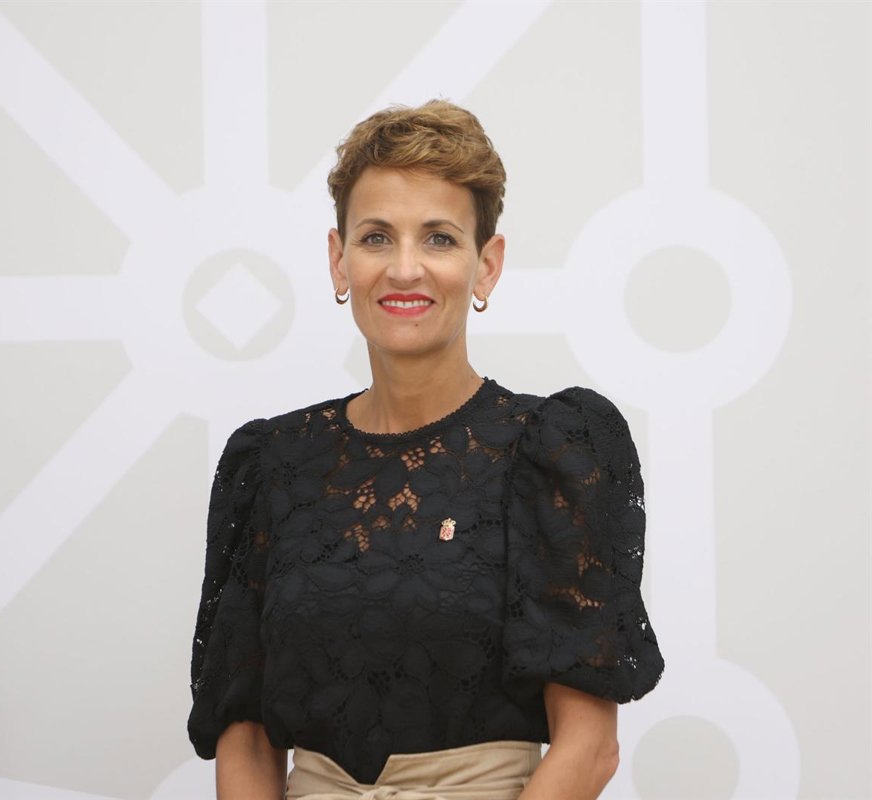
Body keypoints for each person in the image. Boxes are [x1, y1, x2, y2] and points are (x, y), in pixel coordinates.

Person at [187, 100, 663, 800]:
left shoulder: (554, 449)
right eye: (376, 237)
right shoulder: (272, 464)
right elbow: (246, 739)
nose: (404, 268)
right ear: (339, 260)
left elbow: (589, 748)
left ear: (487, 265)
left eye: (439, 239)